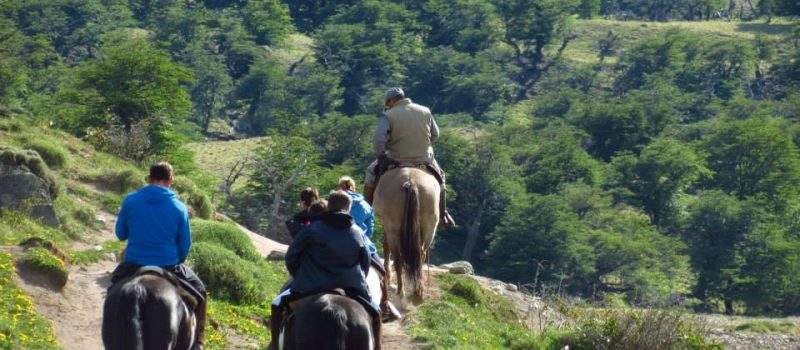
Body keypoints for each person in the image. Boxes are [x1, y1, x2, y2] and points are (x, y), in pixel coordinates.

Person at [109, 161, 207, 350]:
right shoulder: (179, 208)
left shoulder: (131, 200)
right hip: (169, 264)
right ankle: (199, 343)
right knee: (200, 292)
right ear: (171, 180)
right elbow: (185, 245)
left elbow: (121, 234)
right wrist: (178, 260)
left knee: (114, 290)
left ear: (150, 178)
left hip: (134, 263)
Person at [269, 191, 379, 348]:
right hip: (351, 286)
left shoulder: (311, 229)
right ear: (349, 208)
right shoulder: (358, 233)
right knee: (376, 312)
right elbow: (365, 263)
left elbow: (291, 257)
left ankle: (274, 345)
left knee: (276, 304)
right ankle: (379, 345)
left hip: (309, 284)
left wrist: (300, 275)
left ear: (329, 206)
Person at [364, 87, 455, 228]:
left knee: (371, 173)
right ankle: (443, 214)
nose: (387, 106)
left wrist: (382, 155)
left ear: (392, 100)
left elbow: (378, 139)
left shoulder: (388, 115)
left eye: (387, 103)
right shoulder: (425, 111)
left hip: (396, 158)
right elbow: (435, 134)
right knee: (440, 177)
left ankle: (366, 210)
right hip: (424, 158)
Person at [338, 176, 378, 256]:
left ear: (340, 187)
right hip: (361, 243)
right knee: (380, 267)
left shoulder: (334, 202)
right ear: (354, 187)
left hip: (336, 243)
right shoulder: (367, 205)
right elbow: (370, 231)